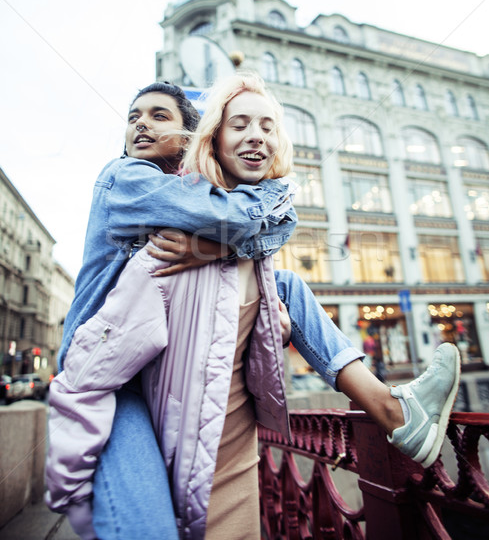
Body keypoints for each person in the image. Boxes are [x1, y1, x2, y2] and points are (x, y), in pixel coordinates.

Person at [46, 74, 460, 539]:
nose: (140, 125)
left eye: (158, 116)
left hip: (147, 361)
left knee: (285, 283)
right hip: (104, 370)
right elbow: (236, 216)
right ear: (212, 137)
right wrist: (232, 237)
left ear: (189, 135)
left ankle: (391, 408)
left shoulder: (186, 200)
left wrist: (221, 249)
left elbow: (260, 224)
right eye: (133, 117)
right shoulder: (125, 178)